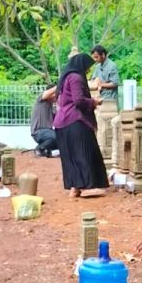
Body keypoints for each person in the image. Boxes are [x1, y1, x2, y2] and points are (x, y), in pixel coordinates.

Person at [53, 52, 109, 197]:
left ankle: (75, 187)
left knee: (70, 157)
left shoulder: (65, 78)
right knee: (85, 152)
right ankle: (88, 186)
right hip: (75, 121)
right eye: (88, 67)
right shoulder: (76, 78)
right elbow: (78, 100)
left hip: (61, 123)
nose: (88, 71)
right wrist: (94, 102)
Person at [30, 85, 59, 157]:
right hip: (39, 132)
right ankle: (40, 149)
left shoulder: (51, 107)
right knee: (57, 137)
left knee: (63, 139)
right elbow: (47, 93)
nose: (57, 96)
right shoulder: (41, 99)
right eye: (56, 94)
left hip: (48, 132)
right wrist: (61, 84)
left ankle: (42, 148)